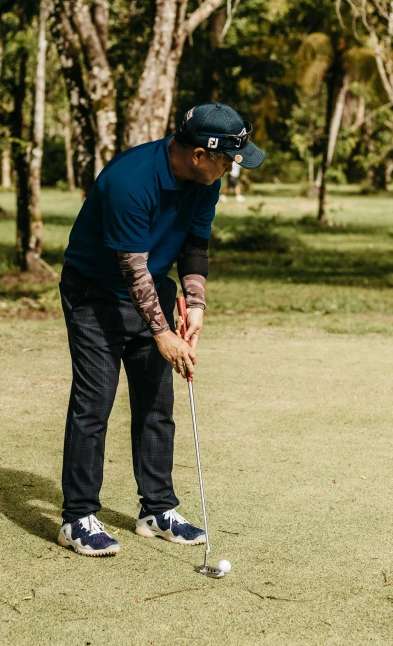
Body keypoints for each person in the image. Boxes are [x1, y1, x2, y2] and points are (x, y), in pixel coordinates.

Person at [58, 102, 265, 556]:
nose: (233, 167)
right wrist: (162, 332)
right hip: (94, 293)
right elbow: (132, 269)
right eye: (229, 158)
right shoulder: (129, 181)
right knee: (95, 401)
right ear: (198, 154)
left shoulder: (205, 182)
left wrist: (195, 305)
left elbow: (195, 243)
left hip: (147, 288)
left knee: (156, 401)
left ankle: (157, 508)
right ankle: (77, 518)